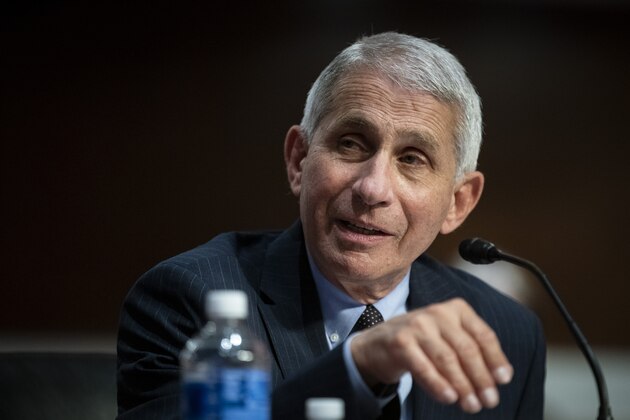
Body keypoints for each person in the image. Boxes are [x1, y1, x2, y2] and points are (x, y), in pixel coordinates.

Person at [117, 32, 545, 419]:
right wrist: (358, 367)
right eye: (351, 143)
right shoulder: (186, 297)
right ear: (298, 160)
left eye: (412, 158)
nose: (373, 188)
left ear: (458, 202)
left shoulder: (507, 332)